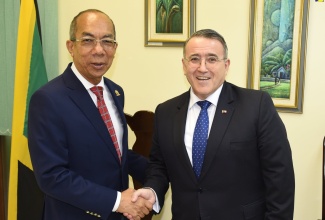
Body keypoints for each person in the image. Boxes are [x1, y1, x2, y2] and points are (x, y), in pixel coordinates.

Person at [131, 29, 295, 220]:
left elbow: (280, 177)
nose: (202, 68)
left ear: (226, 65)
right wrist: (152, 190)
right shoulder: (165, 112)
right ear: (184, 65)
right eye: (194, 59)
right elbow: (159, 166)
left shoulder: (257, 106)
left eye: (211, 59)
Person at [28, 9, 152, 220]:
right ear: (71, 46)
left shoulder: (115, 91)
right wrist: (116, 201)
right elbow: (52, 176)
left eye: (107, 41)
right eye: (88, 40)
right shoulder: (48, 99)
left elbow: (116, 153)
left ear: (115, 48)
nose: (99, 50)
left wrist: (165, 173)